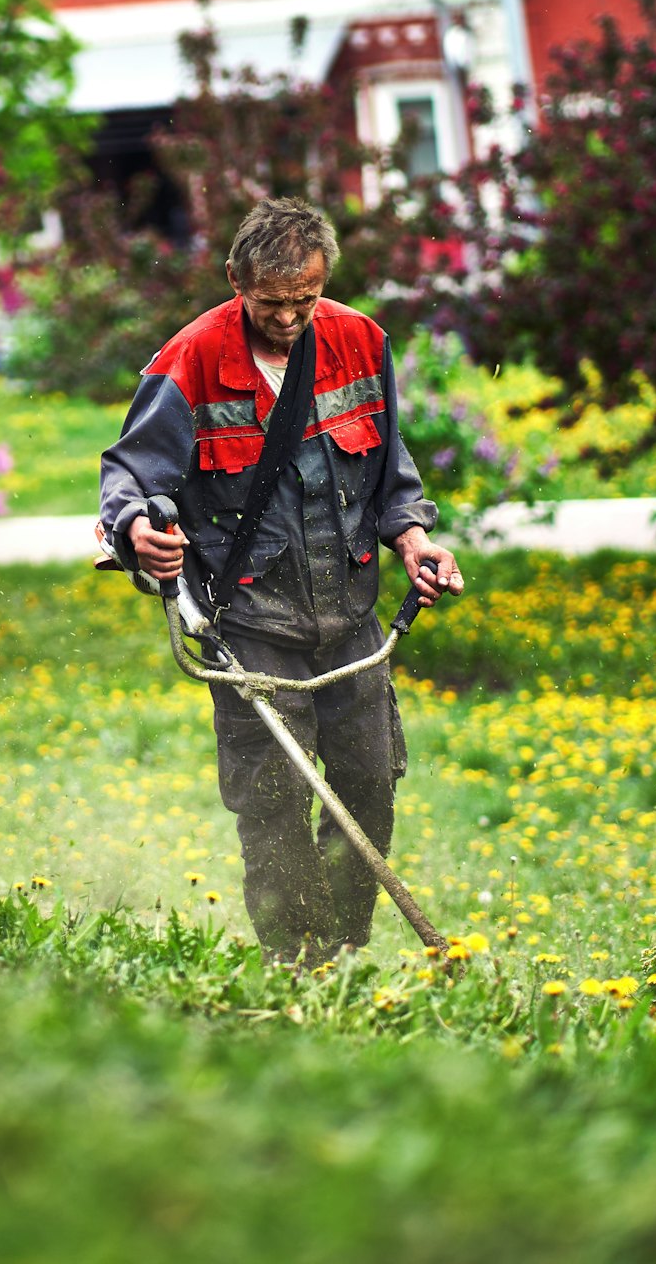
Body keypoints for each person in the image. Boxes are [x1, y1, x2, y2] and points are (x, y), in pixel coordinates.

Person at [100, 196, 462, 964]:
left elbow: (393, 475)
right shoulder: (190, 360)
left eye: (306, 299)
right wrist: (140, 533)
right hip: (251, 625)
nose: (291, 318)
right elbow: (131, 474)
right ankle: (298, 962)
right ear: (236, 279)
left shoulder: (361, 341)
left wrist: (417, 541)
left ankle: (345, 947)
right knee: (274, 801)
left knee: (367, 783)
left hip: (351, 615)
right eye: (272, 303)